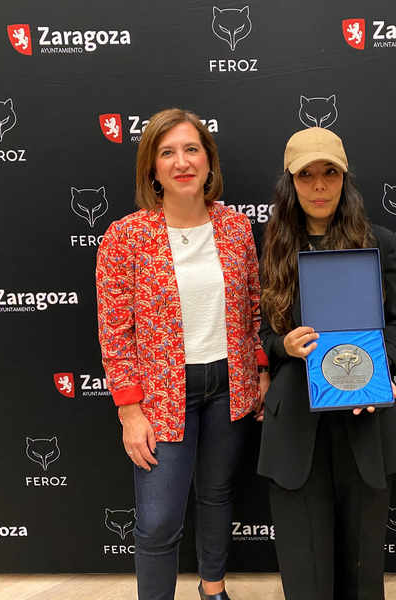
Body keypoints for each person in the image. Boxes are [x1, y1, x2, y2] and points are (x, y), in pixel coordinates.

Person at [96, 108, 269, 600]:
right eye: (167, 152)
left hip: (228, 388)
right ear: (151, 167)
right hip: (161, 397)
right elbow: (115, 332)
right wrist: (130, 411)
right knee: (156, 522)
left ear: (209, 160)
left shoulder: (235, 229)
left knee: (216, 496)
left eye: (191, 149)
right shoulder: (124, 238)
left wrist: (259, 371)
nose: (181, 162)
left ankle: (212, 589)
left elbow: (253, 309)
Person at [258, 127, 396, 600]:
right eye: (307, 175)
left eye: (329, 173)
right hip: (295, 423)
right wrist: (286, 346)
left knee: (363, 564)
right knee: (305, 565)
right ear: (291, 182)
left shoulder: (379, 241)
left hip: (364, 419)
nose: (319, 186)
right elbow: (262, 336)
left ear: (345, 179)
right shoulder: (271, 246)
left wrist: (376, 367)